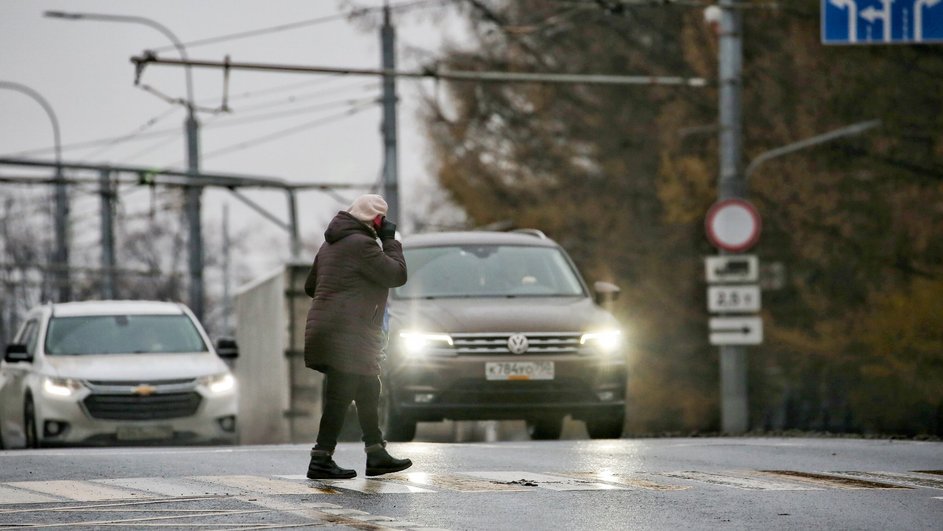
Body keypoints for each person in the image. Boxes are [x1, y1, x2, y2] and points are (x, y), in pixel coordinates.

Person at [303, 194, 412, 480]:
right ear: (375, 220)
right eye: (382, 220)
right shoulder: (362, 245)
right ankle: (321, 458)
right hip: (348, 334)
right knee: (341, 395)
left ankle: (375, 452)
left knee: (367, 388)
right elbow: (397, 274)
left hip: (331, 331)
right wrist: (391, 240)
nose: (383, 224)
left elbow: (310, 285)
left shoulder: (329, 245)